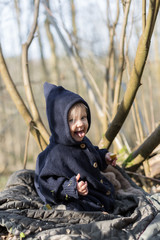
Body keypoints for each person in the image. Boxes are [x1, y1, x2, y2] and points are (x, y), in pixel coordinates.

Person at [34, 82, 117, 212]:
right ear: (60, 125)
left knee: (108, 192)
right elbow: (47, 183)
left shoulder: (82, 141)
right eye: (72, 120)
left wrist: (104, 157)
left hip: (92, 188)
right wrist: (71, 188)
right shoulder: (56, 153)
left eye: (83, 117)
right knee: (81, 208)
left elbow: (92, 154)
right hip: (74, 194)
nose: (80, 124)